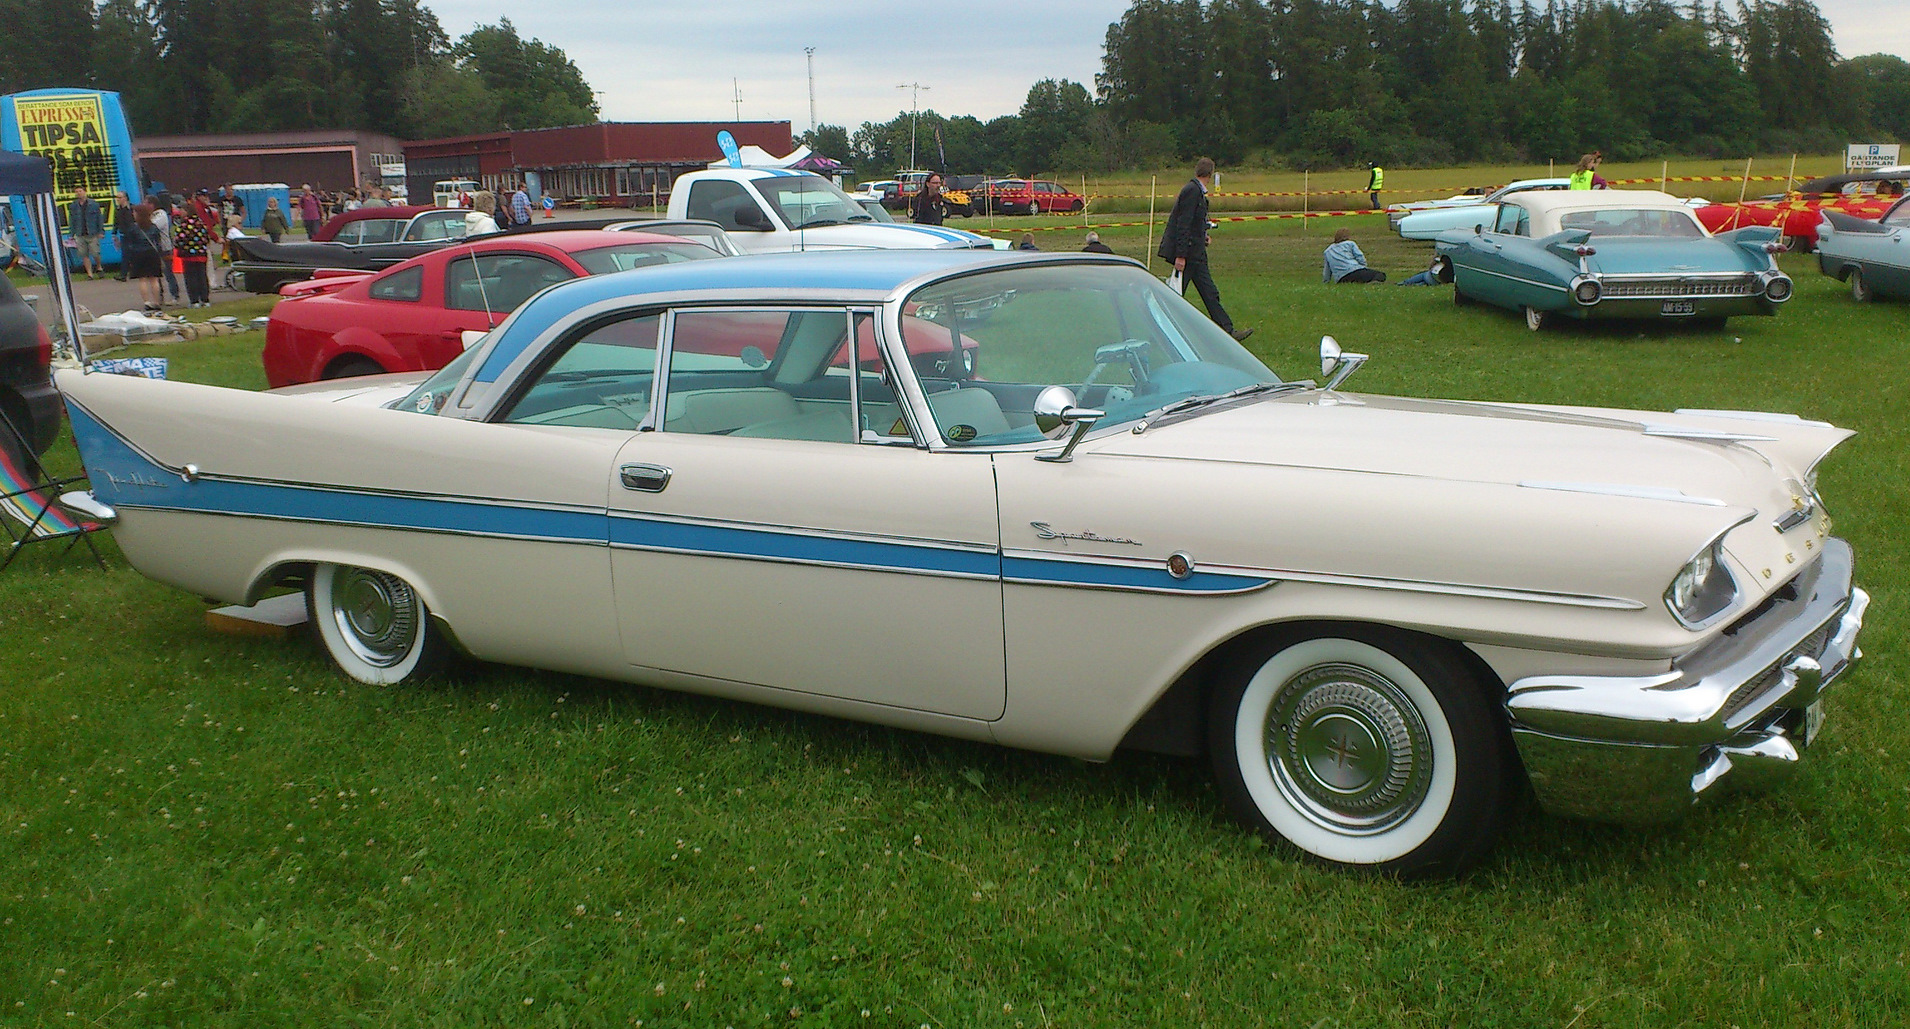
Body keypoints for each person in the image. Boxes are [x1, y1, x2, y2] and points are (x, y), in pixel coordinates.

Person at [1158, 157, 1252, 341]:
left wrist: (1203, 236)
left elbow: (1193, 224)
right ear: (1210, 174)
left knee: (1209, 293)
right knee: (1175, 296)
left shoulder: (1195, 191)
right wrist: (1181, 255)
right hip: (1189, 255)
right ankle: (1158, 328)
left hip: (1195, 253)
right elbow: (1183, 224)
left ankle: (1228, 331)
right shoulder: (1192, 191)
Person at [119, 202, 166, 312]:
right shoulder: (153, 227)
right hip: (152, 254)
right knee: (154, 279)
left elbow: (129, 244)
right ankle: (156, 302)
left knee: (142, 279)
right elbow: (158, 242)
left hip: (138, 254)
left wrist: (130, 258)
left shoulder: (133, 228)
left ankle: (147, 302)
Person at [172, 201, 213, 308]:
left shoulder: (184, 225)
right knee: (202, 277)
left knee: (191, 278)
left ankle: (194, 301)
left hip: (188, 255)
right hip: (201, 254)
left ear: (186, 211)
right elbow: (206, 237)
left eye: (181, 210)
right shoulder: (200, 223)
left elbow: (178, 240)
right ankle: (205, 299)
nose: (180, 212)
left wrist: (179, 246)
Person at [65, 186, 105, 279]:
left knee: (95, 253)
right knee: (84, 255)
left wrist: (101, 231)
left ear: (85, 192)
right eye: (77, 192)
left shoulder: (93, 204)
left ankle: (99, 267)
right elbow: (72, 220)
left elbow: (99, 218)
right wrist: (71, 234)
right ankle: (90, 274)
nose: (78, 193)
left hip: (92, 233)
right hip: (80, 234)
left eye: (80, 191)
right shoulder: (74, 205)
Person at [152, 195, 180, 306]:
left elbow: (153, 226)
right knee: (156, 274)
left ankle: (175, 295)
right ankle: (159, 296)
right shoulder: (152, 215)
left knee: (168, 272)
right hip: (154, 248)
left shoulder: (161, 214)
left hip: (165, 248)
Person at [111, 190, 134, 279]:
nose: (118, 199)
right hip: (124, 234)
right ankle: (123, 275)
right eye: (117, 198)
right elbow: (116, 222)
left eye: (120, 198)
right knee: (125, 254)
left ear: (125, 198)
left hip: (133, 234)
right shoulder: (117, 210)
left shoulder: (132, 208)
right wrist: (114, 233)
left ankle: (134, 272)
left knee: (134, 253)